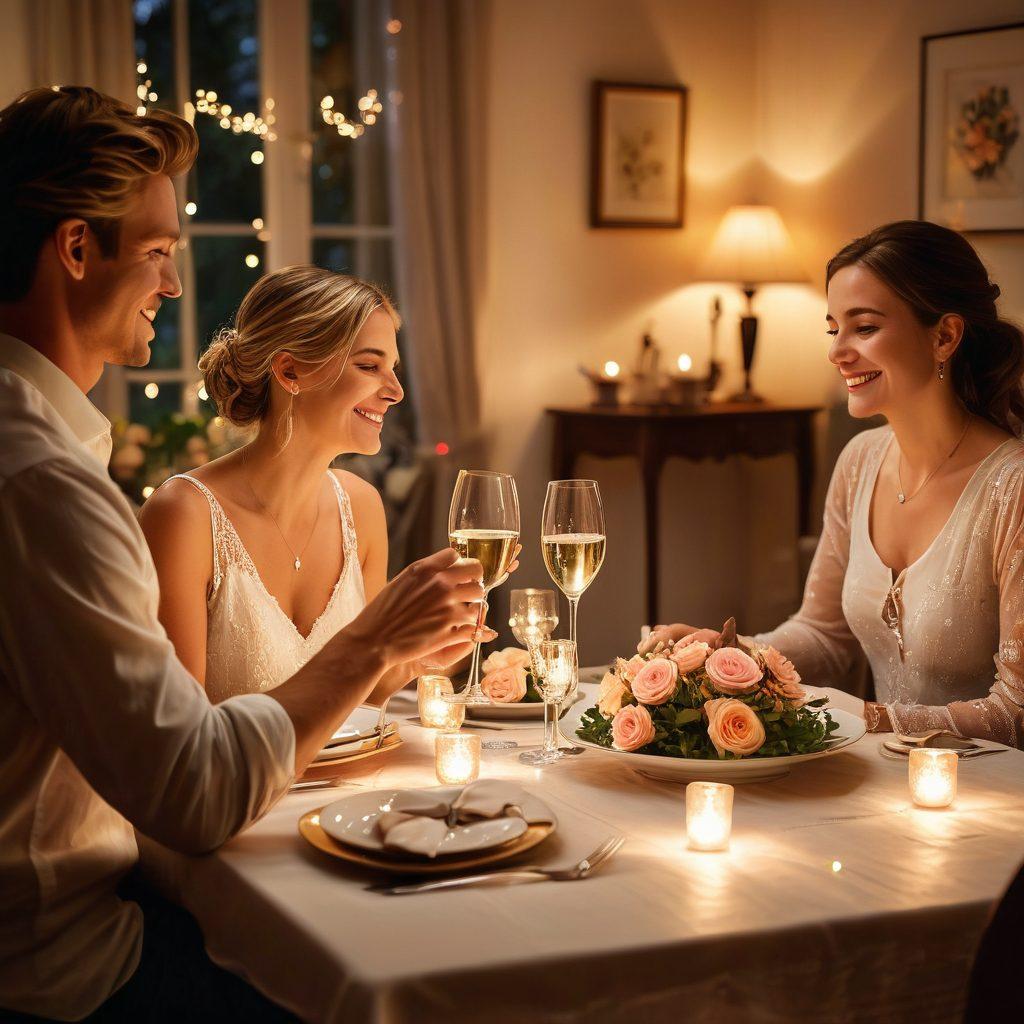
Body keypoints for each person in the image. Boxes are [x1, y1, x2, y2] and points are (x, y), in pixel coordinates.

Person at [0, 86, 484, 1021]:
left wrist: (398, 658)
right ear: (75, 249)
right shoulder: (44, 484)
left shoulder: (50, 454)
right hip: (61, 967)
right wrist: (372, 643)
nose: (175, 286)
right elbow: (191, 792)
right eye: (157, 253)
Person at [645, 221, 1024, 747]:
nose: (837, 352)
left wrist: (866, 717)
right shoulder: (859, 462)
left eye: (864, 328)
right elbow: (824, 635)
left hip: (992, 790)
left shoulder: (1012, 488)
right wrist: (729, 653)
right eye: (833, 330)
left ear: (945, 337)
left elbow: (1016, 711)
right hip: (882, 779)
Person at [139, 267, 511, 699]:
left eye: (392, 368)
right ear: (290, 372)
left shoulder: (360, 505)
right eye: (369, 366)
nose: (395, 391)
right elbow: (180, 729)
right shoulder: (183, 514)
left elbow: (368, 693)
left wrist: (418, 657)